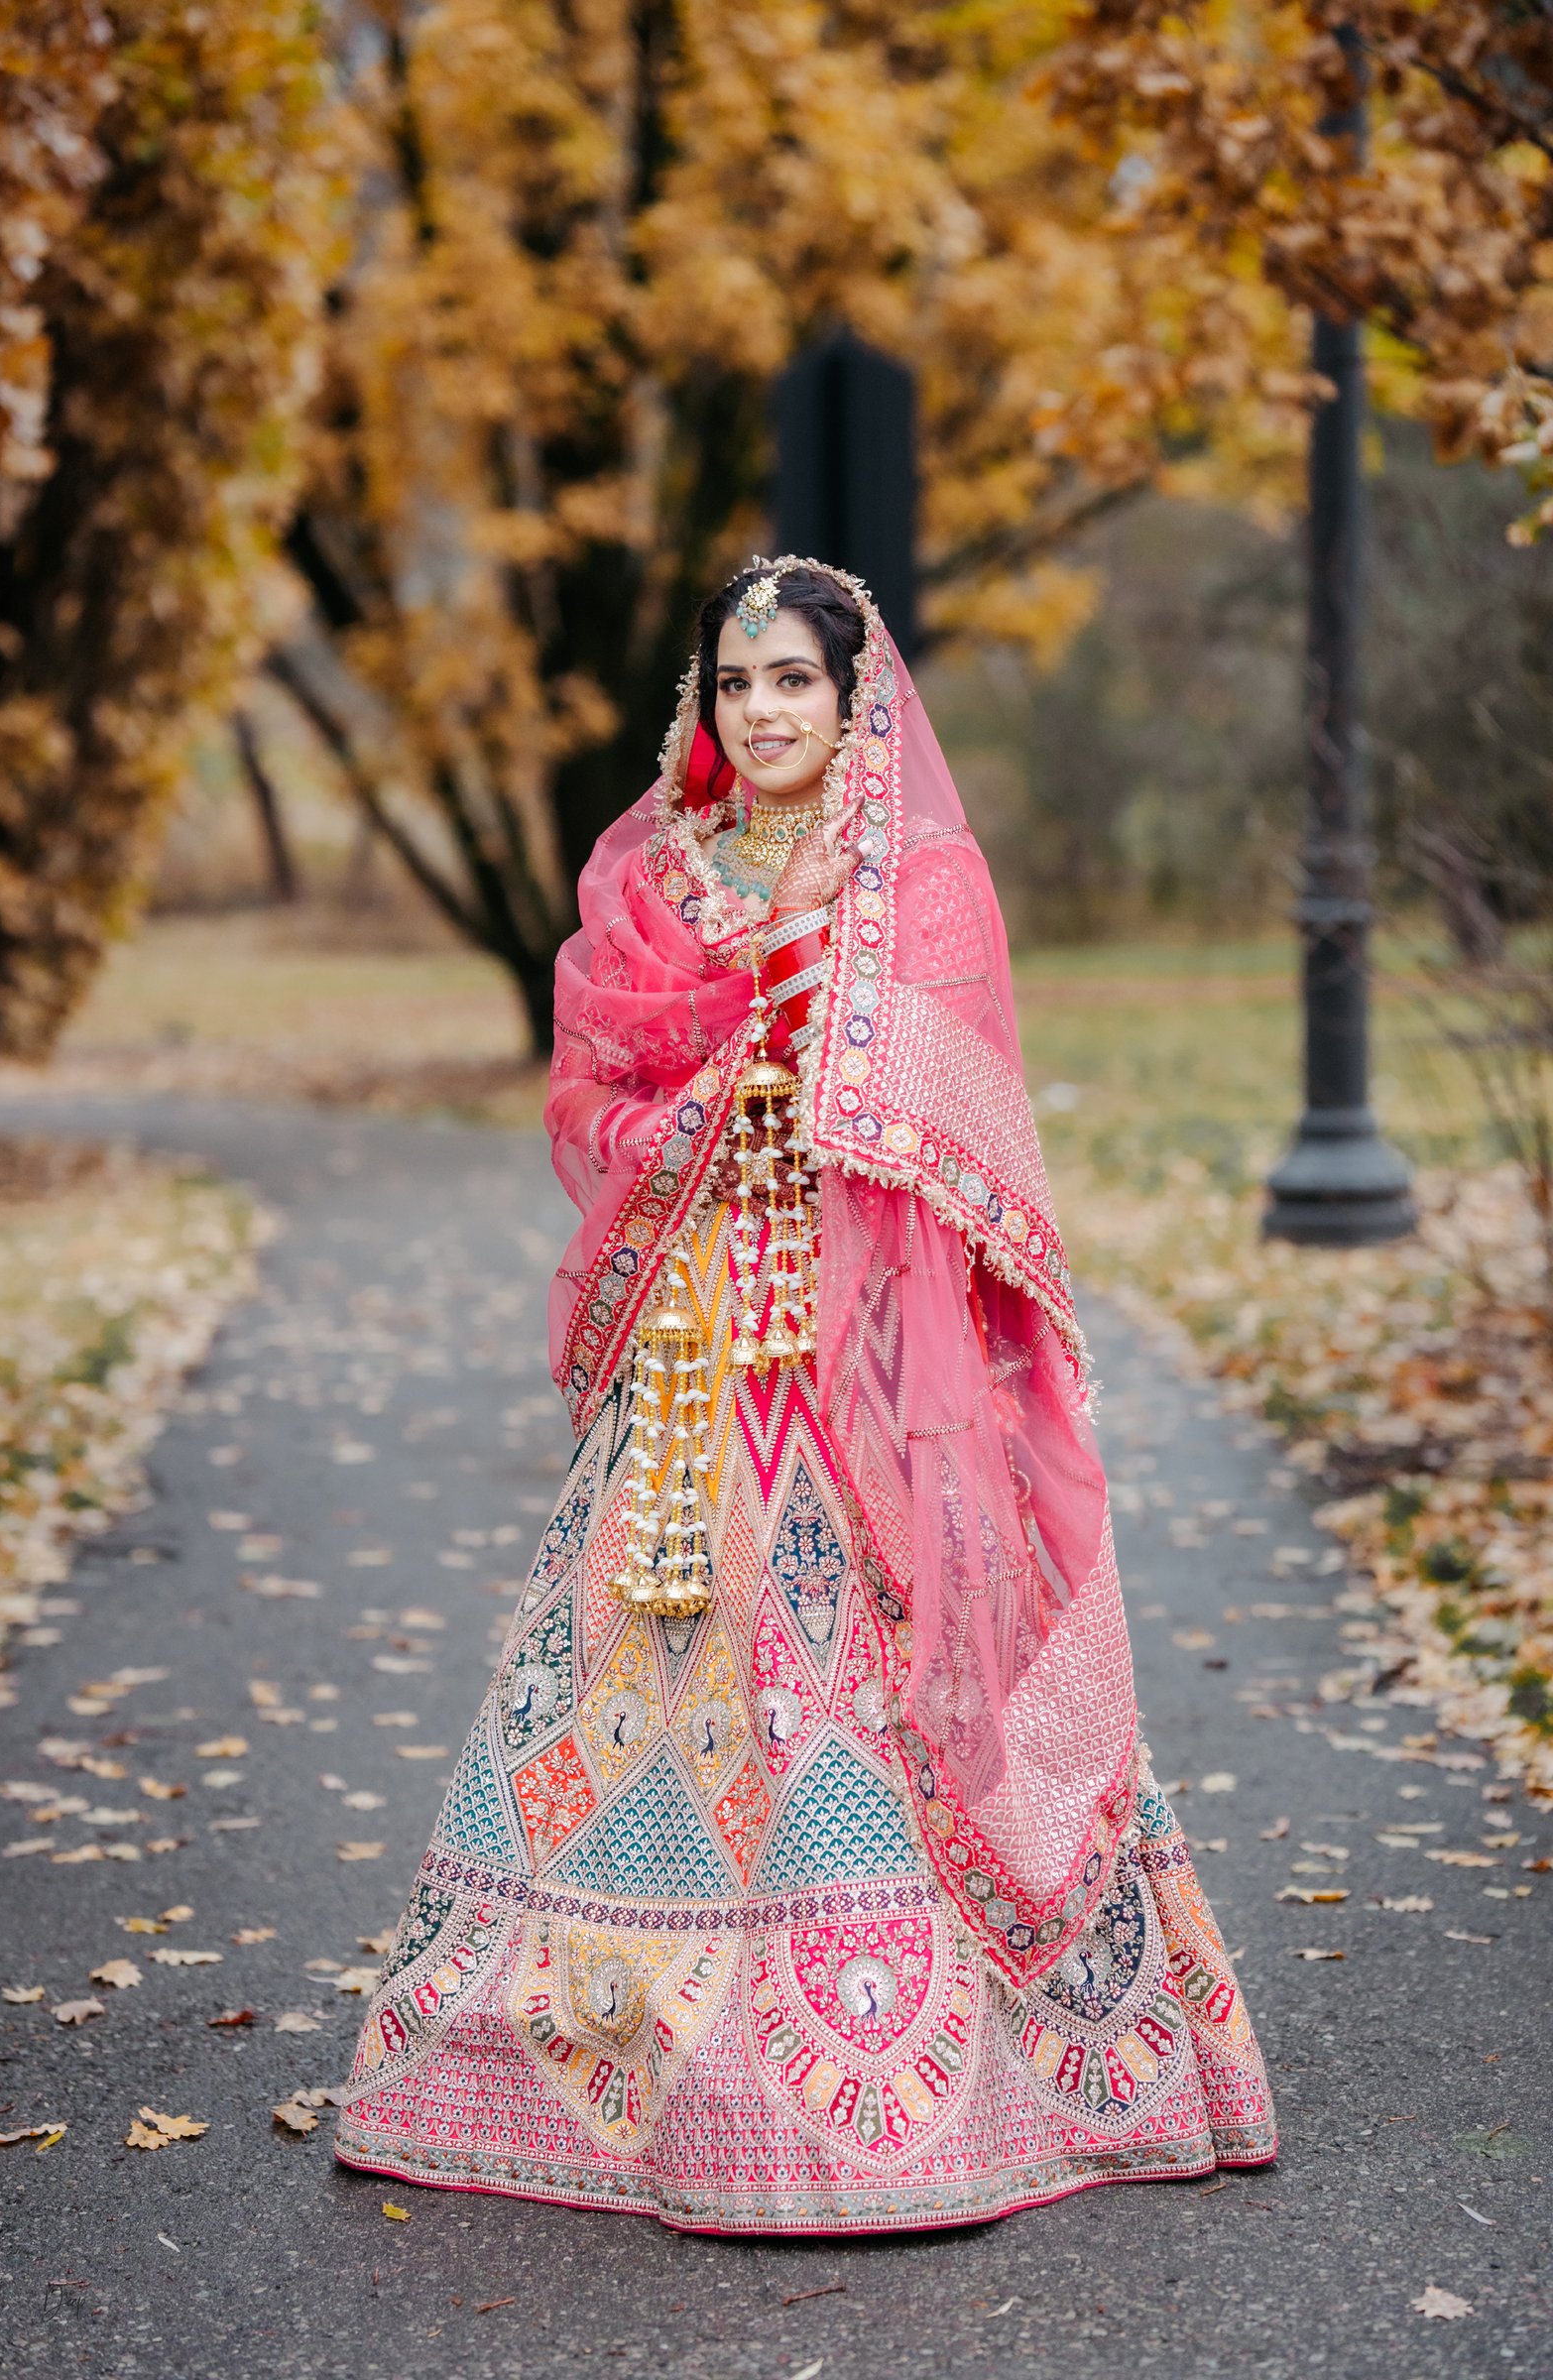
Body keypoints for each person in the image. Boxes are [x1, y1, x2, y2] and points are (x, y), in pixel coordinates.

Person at [334, 558, 1276, 2231]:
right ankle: (589, 2049)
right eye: (737, 682)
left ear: (854, 703)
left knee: (860, 1683)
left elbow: (963, 1125)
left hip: (869, 1361)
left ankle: (919, 2076)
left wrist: (819, 1048)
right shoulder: (660, 878)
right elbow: (589, 1097)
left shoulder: (917, 884)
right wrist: (712, 1084)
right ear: (702, 703)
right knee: (633, 1665)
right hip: (692, 1352)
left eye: (795, 682)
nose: (763, 711)